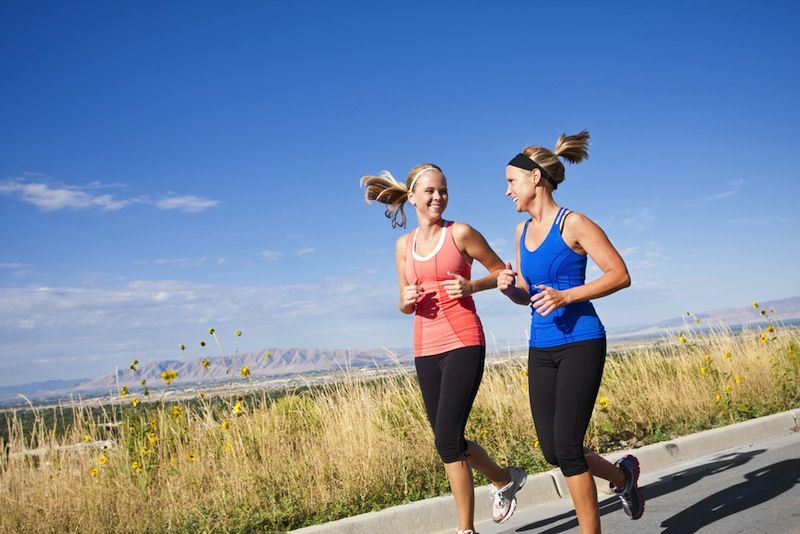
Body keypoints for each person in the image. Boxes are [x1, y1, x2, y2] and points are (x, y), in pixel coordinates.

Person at [361, 163, 526, 534]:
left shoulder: (461, 233)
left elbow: (502, 272)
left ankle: (465, 530)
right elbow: (404, 304)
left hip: (464, 340)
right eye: (431, 191)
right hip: (425, 346)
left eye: (444, 190)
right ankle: (504, 479)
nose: (438, 197)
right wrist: (404, 300)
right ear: (413, 197)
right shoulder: (403, 245)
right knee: (447, 439)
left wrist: (472, 287)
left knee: (448, 439)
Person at [497, 131, 644, 533]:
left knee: (568, 448)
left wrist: (567, 297)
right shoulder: (520, 233)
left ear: (535, 179)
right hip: (541, 345)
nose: (507, 190)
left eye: (511, 181)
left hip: (581, 340)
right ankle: (622, 478)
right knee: (553, 450)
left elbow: (620, 275)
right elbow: (529, 295)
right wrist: (512, 289)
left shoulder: (573, 222)